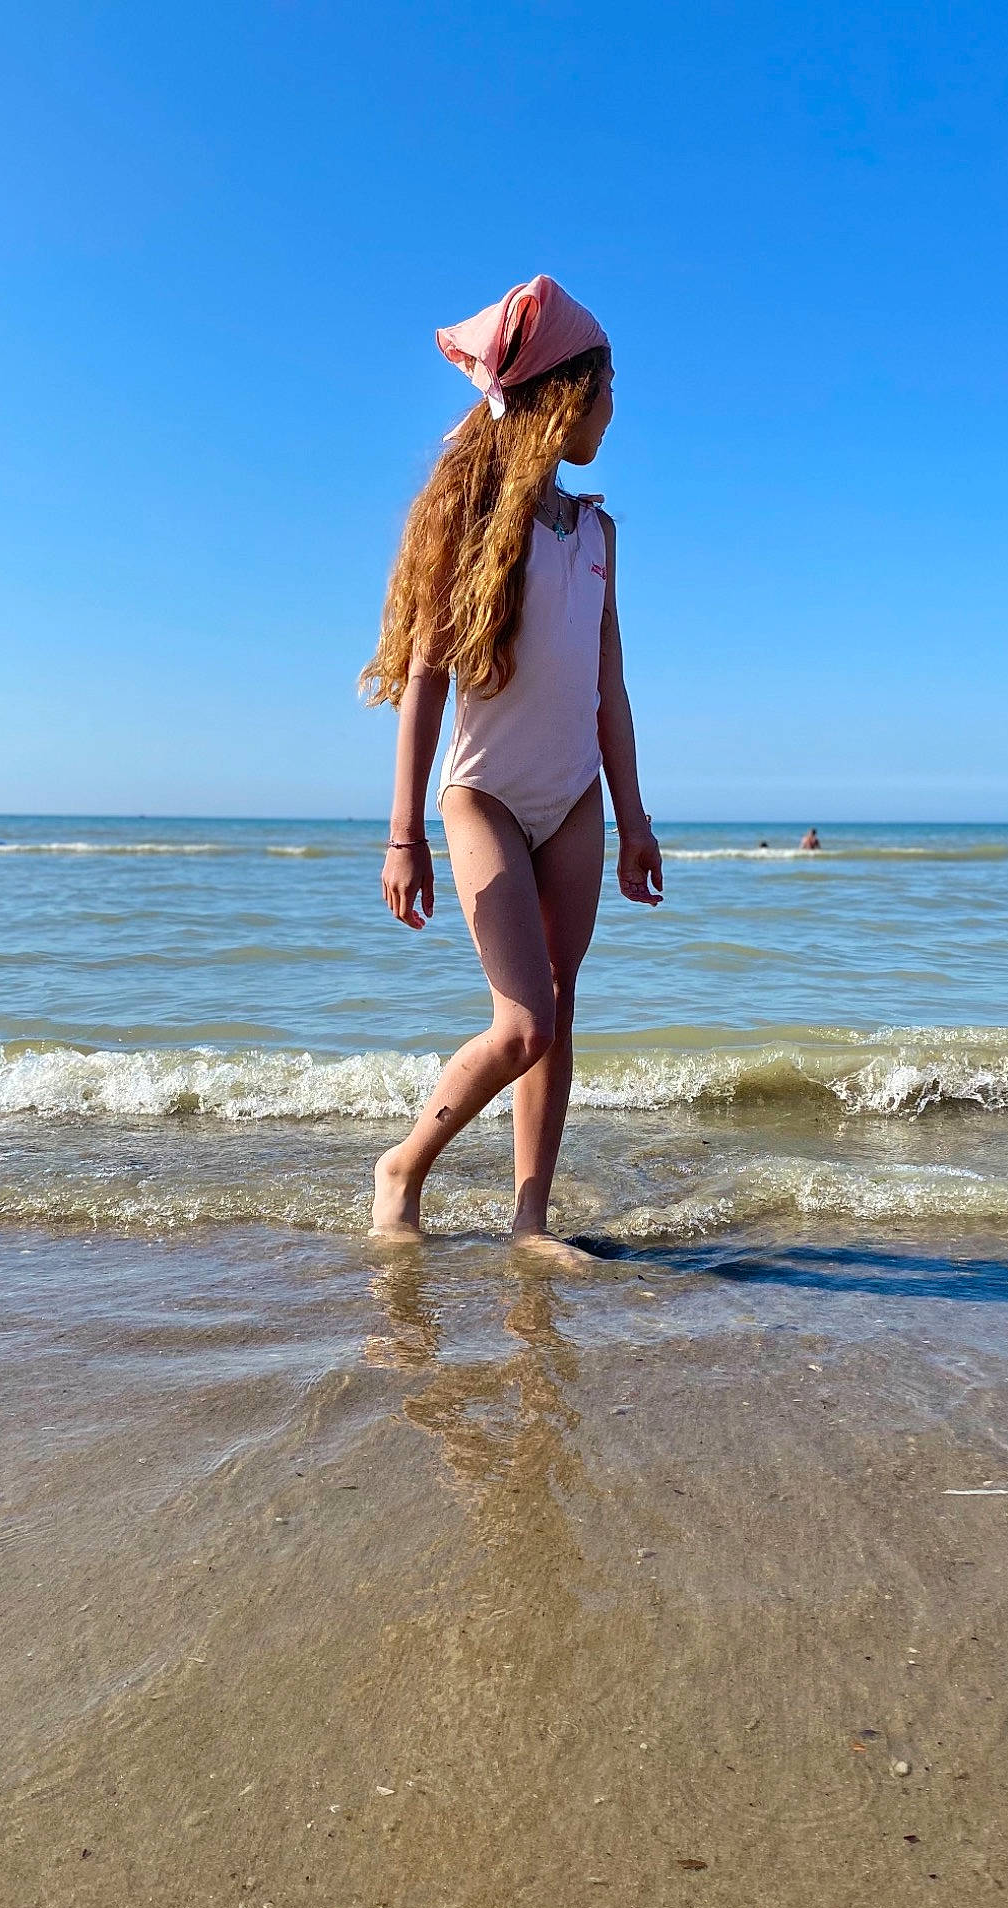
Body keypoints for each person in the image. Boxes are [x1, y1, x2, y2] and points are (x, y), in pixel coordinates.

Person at [362, 275, 661, 1252]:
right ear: (567, 392)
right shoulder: (482, 520)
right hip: (483, 794)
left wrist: (635, 818)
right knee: (523, 1021)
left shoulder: (600, 534)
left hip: (575, 800)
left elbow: (608, 693)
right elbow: (426, 683)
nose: (616, 406)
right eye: (608, 383)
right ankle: (404, 1163)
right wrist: (404, 831)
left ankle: (531, 1218)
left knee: (561, 1017)